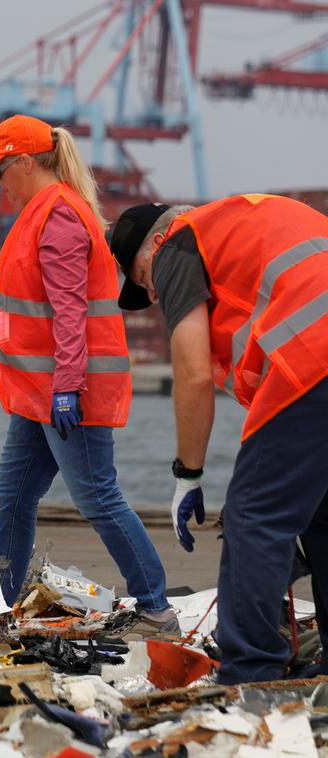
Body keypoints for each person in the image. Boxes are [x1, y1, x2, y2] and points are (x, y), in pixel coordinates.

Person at [0, 114, 175, 637]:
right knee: (13, 495)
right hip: (36, 393)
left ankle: (156, 609)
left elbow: (69, 313)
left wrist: (65, 389)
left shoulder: (57, 217)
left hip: (67, 391)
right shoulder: (42, 211)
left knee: (98, 496)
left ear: (26, 162)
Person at [109, 194, 328, 683]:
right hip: (316, 363)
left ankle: (251, 673)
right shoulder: (255, 215)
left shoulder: (180, 244)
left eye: (145, 279)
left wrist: (188, 474)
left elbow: (191, 373)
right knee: (321, 517)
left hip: (315, 357)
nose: (156, 293)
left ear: (156, 243)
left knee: (254, 519)